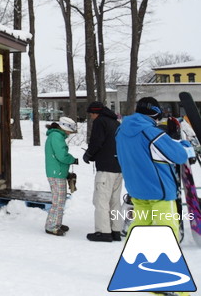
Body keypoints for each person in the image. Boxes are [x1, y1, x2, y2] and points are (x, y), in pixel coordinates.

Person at [116, 97, 195, 240]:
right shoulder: (151, 132)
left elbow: (144, 152)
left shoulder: (120, 131)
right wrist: (185, 145)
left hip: (137, 189)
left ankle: (135, 255)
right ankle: (168, 259)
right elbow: (179, 156)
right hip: (159, 191)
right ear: (155, 113)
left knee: (141, 224)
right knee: (167, 228)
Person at [83, 101, 123, 242]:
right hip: (118, 168)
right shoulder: (116, 123)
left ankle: (103, 232)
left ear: (96, 113)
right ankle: (115, 230)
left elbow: (96, 141)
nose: (91, 117)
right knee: (114, 201)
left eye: (91, 114)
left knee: (101, 200)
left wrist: (89, 154)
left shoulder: (100, 122)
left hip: (106, 168)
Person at [44, 117, 78, 236]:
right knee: (58, 200)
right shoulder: (57, 137)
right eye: (69, 131)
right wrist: (72, 159)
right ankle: (51, 226)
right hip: (56, 172)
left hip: (57, 171)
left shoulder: (56, 136)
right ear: (64, 128)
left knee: (60, 199)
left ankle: (56, 222)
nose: (69, 134)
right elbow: (62, 155)